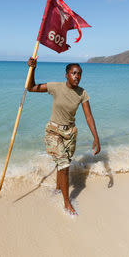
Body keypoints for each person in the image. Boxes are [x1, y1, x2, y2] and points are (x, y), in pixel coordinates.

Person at [27, 57, 100, 215]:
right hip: (53, 131)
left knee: (63, 164)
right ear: (66, 75)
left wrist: (96, 137)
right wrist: (33, 68)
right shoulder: (55, 87)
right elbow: (30, 87)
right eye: (73, 73)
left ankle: (58, 188)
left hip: (70, 134)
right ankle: (67, 203)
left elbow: (88, 116)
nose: (77, 76)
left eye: (79, 74)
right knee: (64, 166)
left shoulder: (82, 93)